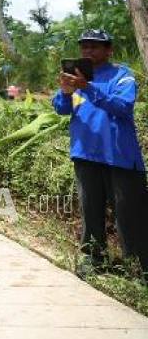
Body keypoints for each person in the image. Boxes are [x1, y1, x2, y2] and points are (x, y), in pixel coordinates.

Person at [53, 29, 148, 279]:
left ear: (108, 50)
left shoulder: (122, 76)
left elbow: (122, 107)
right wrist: (65, 91)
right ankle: (93, 260)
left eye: (95, 46)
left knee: (130, 216)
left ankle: (139, 270)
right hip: (85, 156)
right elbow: (61, 109)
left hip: (120, 157)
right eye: (84, 46)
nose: (88, 50)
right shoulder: (75, 79)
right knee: (90, 211)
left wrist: (89, 87)